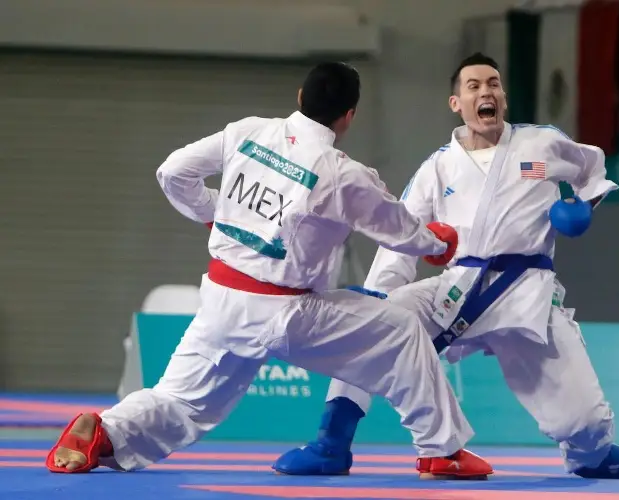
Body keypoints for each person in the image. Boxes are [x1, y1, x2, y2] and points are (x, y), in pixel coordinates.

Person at [45, 61, 493, 480]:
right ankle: (441, 450)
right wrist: (439, 242)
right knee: (402, 330)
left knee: (182, 401)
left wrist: (213, 211)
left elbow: (172, 172)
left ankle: (105, 430)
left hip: (222, 299)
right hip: (289, 314)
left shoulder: (248, 132)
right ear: (348, 117)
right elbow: (398, 231)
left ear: (300, 97)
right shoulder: (341, 174)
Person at [272, 53, 619, 480]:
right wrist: (380, 290)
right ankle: (331, 443)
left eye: (493, 84)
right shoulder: (438, 166)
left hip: (526, 293)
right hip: (458, 287)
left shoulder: (541, 144)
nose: (486, 91)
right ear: (456, 103)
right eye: (474, 86)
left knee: (585, 420)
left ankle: (591, 454)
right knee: (375, 328)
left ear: (503, 96)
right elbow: (401, 233)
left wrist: (583, 206)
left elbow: (591, 168)